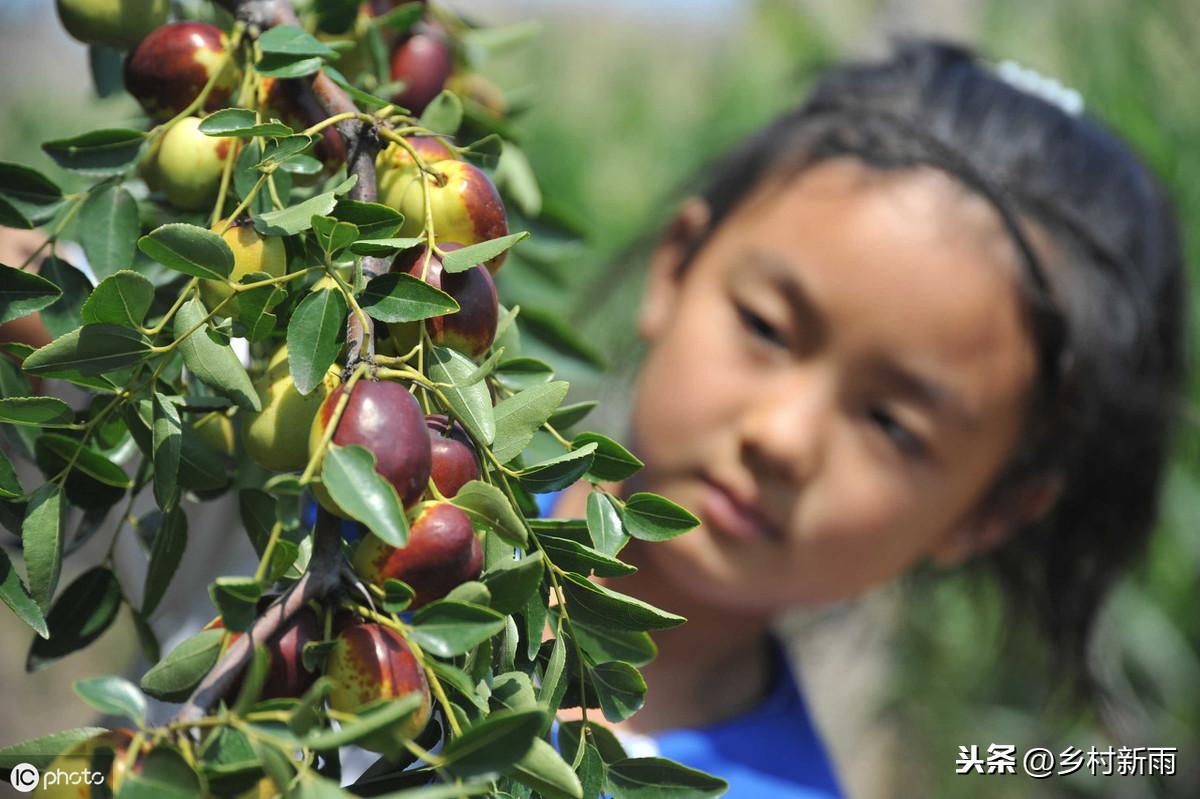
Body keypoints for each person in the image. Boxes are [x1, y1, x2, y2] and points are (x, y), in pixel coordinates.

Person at [544, 40, 1186, 797]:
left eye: (892, 425)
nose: (782, 438)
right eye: (767, 327)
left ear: (990, 511)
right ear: (678, 267)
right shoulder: (399, 504)